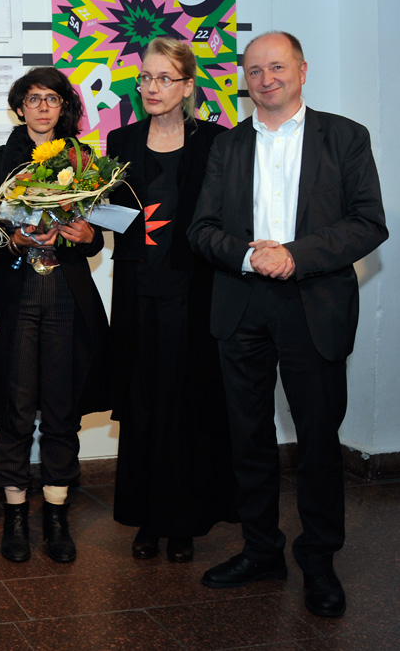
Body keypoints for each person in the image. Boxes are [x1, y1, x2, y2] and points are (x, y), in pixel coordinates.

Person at [189, 31, 387, 618]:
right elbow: (201, 229)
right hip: (241, 303)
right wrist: (251, 256)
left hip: (314, 303)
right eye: (254, 70)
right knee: (247, 440)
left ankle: (320, 562)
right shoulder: (227, 146)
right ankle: (260, 551)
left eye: (277, 67)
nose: (266, 78)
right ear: (244, 80)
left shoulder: (346, 137)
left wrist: (295, 254)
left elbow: (368, 223)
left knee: (319, 442)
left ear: (302, 70)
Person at [107, 37, 236, 563]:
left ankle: (182, 522)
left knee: (188, 404)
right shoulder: (121, 141)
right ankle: (147, 519)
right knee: (143, 403)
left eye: (163, 78)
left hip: (195, 292)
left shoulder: (217, 142)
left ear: (187, 85)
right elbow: (108, 214)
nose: (151, 87)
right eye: (145, 77)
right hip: (138, 291)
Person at [0, 67, 107, 564]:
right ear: (20, 106)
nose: (43, 107)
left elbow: (101, 228)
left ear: (64, 107)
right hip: (15, 293)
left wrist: (87, 236)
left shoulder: (84, 158)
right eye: (33, 99)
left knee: (61, 407)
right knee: (15, 406)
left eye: (52, 98)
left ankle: (55, 513)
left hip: (67, 295)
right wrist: (15, 238)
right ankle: (14, 516)